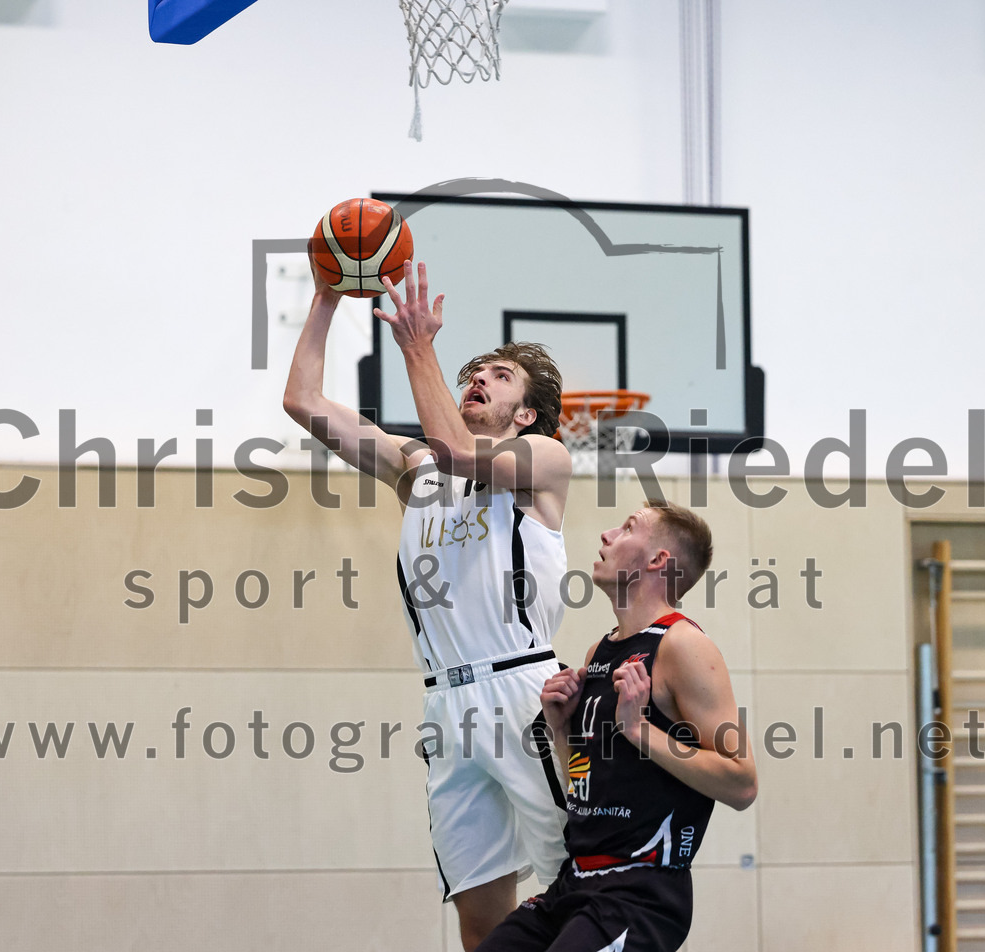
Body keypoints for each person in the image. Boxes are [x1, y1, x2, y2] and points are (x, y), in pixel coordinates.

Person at [283, 258, 572, 951]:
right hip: (446, 705)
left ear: (526, 412)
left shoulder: (542, 460)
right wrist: (326, 296)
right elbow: (303, 402)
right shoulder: (414, 468)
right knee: (480, 918)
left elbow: (459, 449)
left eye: (499, 377)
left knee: (583, 889)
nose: (481, 379)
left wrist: (418, 347)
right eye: (477, 371)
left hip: (525, 692)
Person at [475, 500, 758, 952]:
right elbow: (587, 782)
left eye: (628, 528)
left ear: (657, 561)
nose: (607, 535)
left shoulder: (685, 646)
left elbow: (741, 783)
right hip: (577, 882)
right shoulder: (599, 653)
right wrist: (560, 728)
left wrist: (641, 730)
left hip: (640, 893)